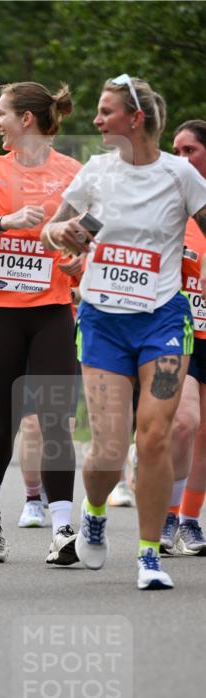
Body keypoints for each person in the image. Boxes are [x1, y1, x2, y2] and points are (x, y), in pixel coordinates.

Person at [42, 76, 206, 589]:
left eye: (105, 112)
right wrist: (60, 233)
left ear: (135, 119)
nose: (96, 120)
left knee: (155, 436)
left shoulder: (180, 175)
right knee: (109, 448)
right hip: (103, 321)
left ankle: (149, 553)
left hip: (162, 320)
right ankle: (93, 511)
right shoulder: (95, 172)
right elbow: (53, 228)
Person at [0, 81, 83, 566]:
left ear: (25, 119)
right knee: (4, 420)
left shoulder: (73, 173)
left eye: (2, 114)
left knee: (55, 420)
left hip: (52, 310)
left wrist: (79, 263)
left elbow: (89, 238)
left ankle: (63, 529)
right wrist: (6, 222)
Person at [159, 119, 206, 555]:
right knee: (183, 423)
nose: (180, 158)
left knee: (204, 434)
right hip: (181, 329)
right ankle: (168, 515)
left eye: (189, 150)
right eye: (175, 149)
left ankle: (190, 521)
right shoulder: (173, 206)